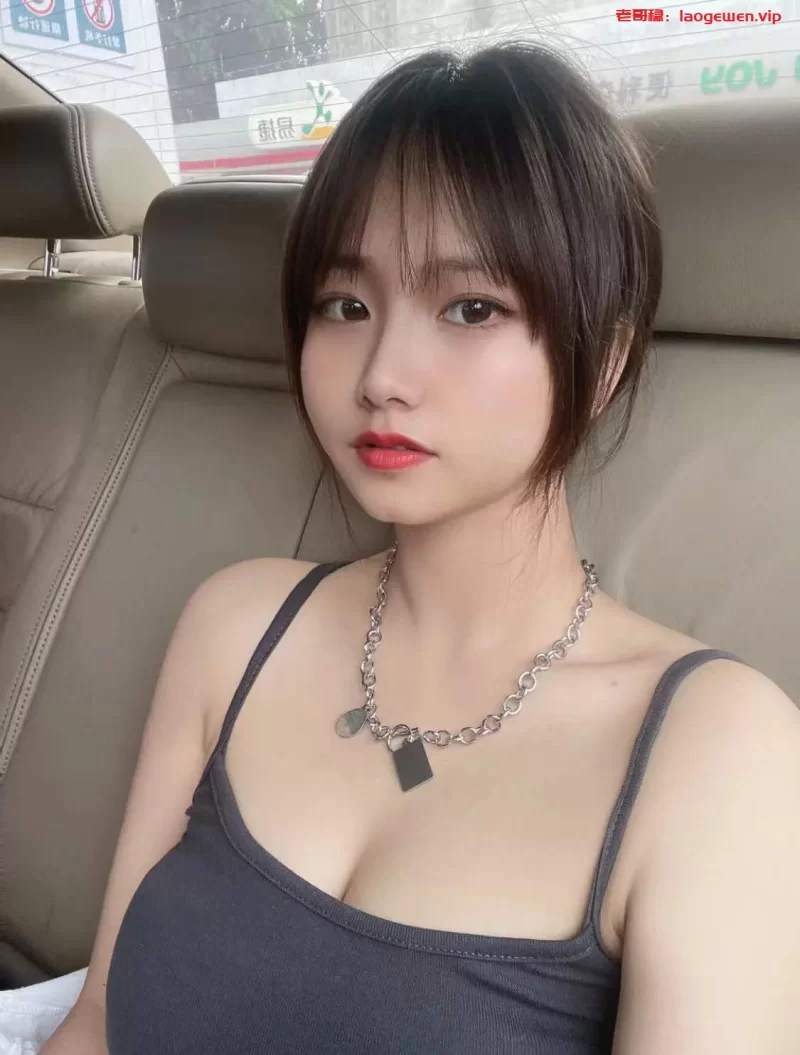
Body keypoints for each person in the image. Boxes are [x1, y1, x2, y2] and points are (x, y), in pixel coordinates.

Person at [43, 41, 800, 1055]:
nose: (381, 373)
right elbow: (95, 1025)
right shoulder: (236, 626)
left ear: (608, 353)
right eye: (345, 305)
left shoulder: (719, 751)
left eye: (471, 307)